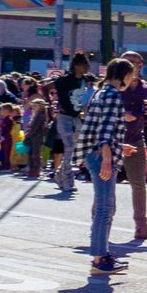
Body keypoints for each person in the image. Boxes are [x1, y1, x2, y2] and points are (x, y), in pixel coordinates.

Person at [74, 61, 130, 276]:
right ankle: (100, 257)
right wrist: (107, 157)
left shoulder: (100, 92)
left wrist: (118, 147)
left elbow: (98, 127)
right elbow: (105, 131)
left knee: (105, 207)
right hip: (100, 155)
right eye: (131, 76)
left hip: (94, 152)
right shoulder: (113, 95)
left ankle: (101, 253)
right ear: (124, 75)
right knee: (105, 208)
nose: (131, 80)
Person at [113, 52, 147, 242]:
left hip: (136, 139)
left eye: (138, 64)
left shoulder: (146, 89)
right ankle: (99, 222)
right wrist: (120, 115)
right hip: (113, 140)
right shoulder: (112, 88)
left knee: (139, 184)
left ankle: (141, 227)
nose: (135, 67)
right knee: (107, 183)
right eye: (131, 63)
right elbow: (94, 112)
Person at [52, 54, 91, 195]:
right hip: (64, 117)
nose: (87, 68)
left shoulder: (85, 80)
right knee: (69, 146)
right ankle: (68, 180)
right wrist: (51, 105)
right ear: (76, 66)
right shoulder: (64, 80)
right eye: (84, 65)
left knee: (74, 149)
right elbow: (45, 87)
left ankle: (59, 174)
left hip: (77, 117)